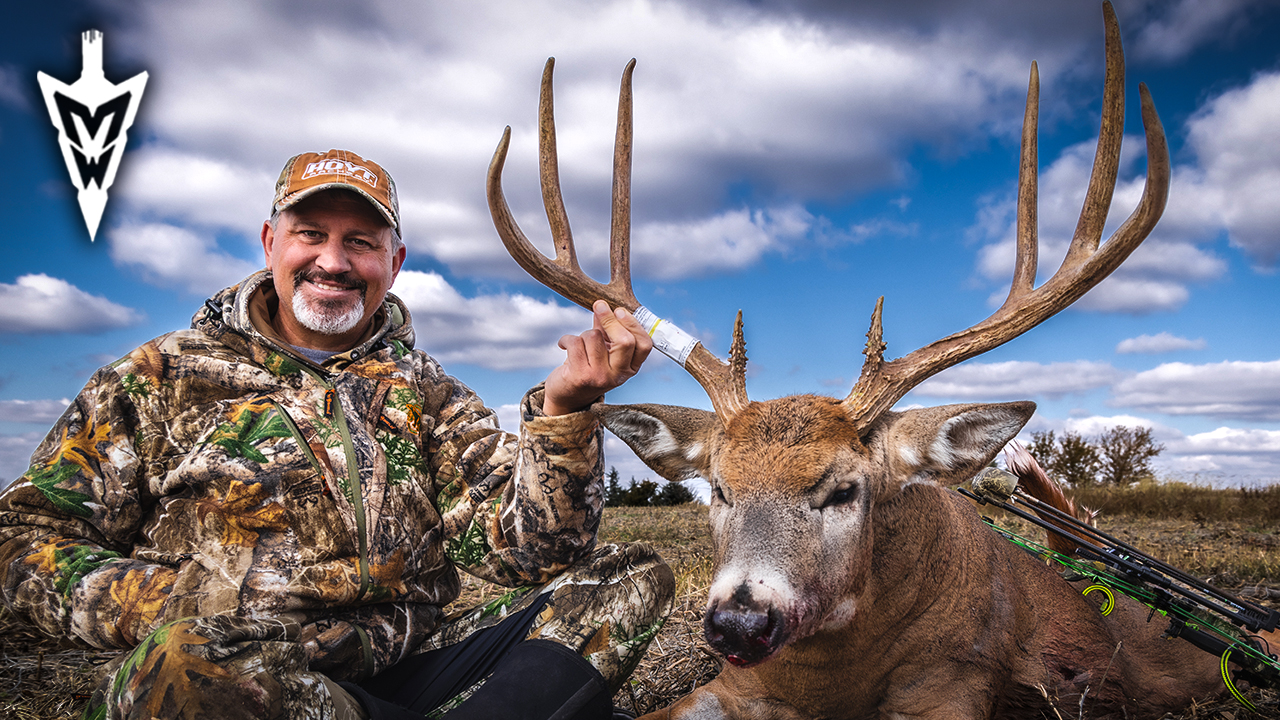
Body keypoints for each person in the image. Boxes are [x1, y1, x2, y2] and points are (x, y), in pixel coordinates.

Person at [0, 149, 674, 720]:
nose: (333, 260)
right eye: (311, 234)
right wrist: (177, 599)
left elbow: (526, 557)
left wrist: (564, 412)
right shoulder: (157, 378)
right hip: (252, 675)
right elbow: (24, 542)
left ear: (394, 259)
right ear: (271, 243)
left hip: (412, 666)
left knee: (631, 577)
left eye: (360, 242)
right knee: (182, 665)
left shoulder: (429, 395)